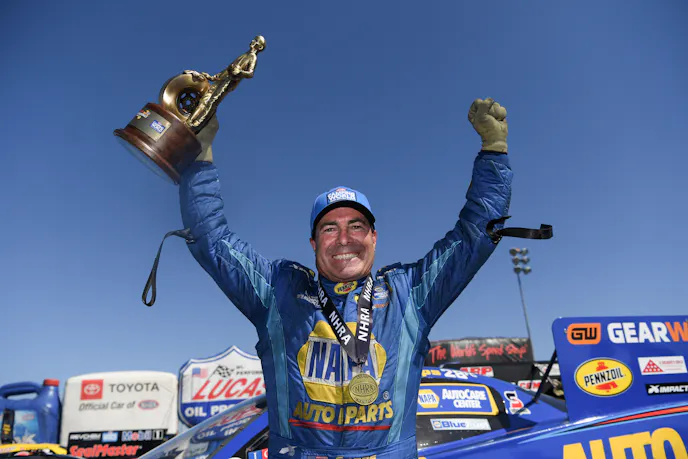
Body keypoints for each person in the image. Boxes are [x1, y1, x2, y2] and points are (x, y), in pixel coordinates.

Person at [178, 98, 512, 459]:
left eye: (356, 226)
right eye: (329, 228)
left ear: (373, 238)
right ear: (313, 242)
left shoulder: (410, 294)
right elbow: (211, 239)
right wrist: (201, 154)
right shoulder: (278, 292)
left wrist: (494, 151)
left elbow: (474, 235)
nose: (344, 239)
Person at [185, 35, 266, 129]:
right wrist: (213, 77)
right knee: (204, 100)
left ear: (260, 47)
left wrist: (240, 72)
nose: (253, 41)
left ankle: (197, 123)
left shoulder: (253, 57)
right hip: (222, 79)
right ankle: (189, 121)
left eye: (256, 40)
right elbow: (227, 70)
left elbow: (250, 73)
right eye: (254, 39)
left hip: (228, 83)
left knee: (212, 101)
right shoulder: (245, 54)